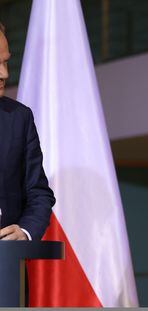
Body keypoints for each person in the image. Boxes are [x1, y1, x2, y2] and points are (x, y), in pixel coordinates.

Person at [0, 23, 55, 240]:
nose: (4, 73)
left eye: (5, 62)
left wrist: (25, 231)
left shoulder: (19, 118)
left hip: (6, 267)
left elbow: (39, 193)